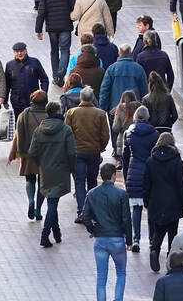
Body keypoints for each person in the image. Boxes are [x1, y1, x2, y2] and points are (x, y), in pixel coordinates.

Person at [28, 101, 76, 248]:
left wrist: (41, 163)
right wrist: (71, 168)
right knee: (53, 203)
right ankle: (45, 235)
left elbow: (32, 152)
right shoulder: (66, 130)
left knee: (51, 200)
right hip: (61, 170)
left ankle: (56, 232)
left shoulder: (39, 130)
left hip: (45, 171)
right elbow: (71, 153)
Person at [81, 162, 132, 301]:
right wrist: (129, 241)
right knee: (121, 273)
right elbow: (126, 219)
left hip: (100, 239)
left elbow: (84, 217)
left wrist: (93, 229)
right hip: (117, 239)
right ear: (114, 176)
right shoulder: (121, 194)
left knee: (101, 276)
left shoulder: (92, 194)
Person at [142, 131, 183, 271]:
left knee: (159, 229)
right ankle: (171, 260)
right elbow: (182, 185)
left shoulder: (150, 161)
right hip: (174, 202)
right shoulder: (177, 161)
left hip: (156, 201)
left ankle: (154, 250)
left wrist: (146, 202)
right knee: (172, 232)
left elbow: (146, 184)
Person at [64, 86, 109, 221]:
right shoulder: (100, 114)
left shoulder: (71, 113)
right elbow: (105, 135)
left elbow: (67, 133)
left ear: (80, 98)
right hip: (94, 152)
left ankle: (81, 212)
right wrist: (100, 147)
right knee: (92, 181)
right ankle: (91, 211)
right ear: (92, 98)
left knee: (79, 182)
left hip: (77, 152)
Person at [122, 105, 159, 254]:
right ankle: (151, 240)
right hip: (149, 173)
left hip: (134, 171)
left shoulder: (128, 133)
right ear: (148, 116)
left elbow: (125, 157)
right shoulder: (155, 134)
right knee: (150, 209)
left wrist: (126, 176)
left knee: (136, 209)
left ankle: (136, 239)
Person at [8, 89, 47, 219]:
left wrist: (12, 154)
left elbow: (17, 136)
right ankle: (38, 210)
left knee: (30, 180)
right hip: (45, 155)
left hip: (28, 153)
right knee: (43, 183)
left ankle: (30, 200)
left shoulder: (24, 115)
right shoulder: (50, 116)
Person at [35, 0, 77, 87]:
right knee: (65, 50)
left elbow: (41, 12)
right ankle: (61, 72)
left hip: (52, 27)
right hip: (65, 26)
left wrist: (38, 29)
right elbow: (74, 7)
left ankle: (55, 76)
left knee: (54, 51)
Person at [99, 43, 149, 129]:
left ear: (119, 53)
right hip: (134, 110)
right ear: (131, 53)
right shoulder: (139, 69)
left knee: (116, 132)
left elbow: (105, 90)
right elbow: (144, 90)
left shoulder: (112, 69)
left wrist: (103, 108)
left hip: (115, 110)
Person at [4, 41, 48, 118]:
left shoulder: (35, 62)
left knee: (34, 123)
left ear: (26, 51)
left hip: (33, 100)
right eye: (17, 52)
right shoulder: (9, 65)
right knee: (19, 123)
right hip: (17, 101)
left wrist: (43, 94)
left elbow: (44, 79)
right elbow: (7, 84)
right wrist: (5, 100)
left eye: (21, 51)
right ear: (14, 52)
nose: (19, 54)